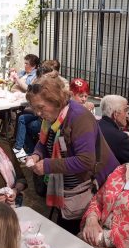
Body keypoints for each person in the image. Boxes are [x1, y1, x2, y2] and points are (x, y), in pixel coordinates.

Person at [25, 75, 120, 234]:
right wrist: (36, 155)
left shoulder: (79, 117)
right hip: (70, 187)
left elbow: (86, 161)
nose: (37, 113)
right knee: (65, 228)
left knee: (75, 234)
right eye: (35, 108)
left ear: (55, 100)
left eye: (40, 107)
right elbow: (43, 143)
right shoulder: (52, 118)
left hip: (92, 186)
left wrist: (48, 165)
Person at [98, 95, 129, 164]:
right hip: (109, 173)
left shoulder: (96, 125)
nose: (127, 115)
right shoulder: (119, 137)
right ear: (115, 114)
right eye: (125, 111)